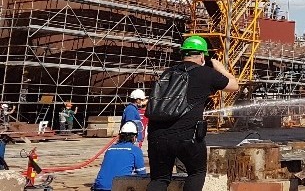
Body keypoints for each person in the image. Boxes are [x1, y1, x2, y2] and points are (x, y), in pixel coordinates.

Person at [147, 35, 238, 191]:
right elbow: (234, 86)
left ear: (183, 54)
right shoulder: (206, 73)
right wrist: (220, 68)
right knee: (196, 173)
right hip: (187, 135)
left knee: (159, 179)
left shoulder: (167, 73)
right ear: (202, 55)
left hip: (157, 135)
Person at [92, 121, 147, 191]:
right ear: (134, 137)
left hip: (99, 187)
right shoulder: (135, 150)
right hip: (118, 187)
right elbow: (142, 174)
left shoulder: (110, 149)